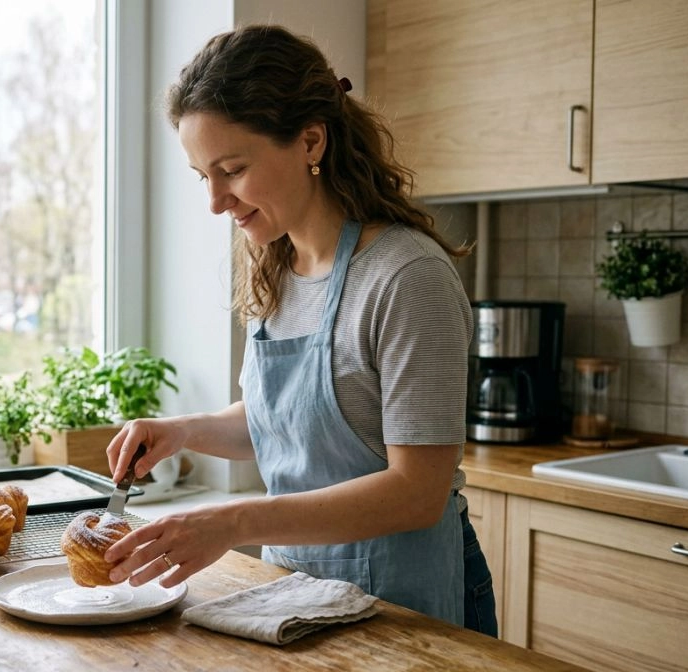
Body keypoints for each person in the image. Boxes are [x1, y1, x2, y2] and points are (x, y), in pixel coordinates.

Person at [103, 24, 498, 636]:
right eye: (200, 175)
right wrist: (181, 431)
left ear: (310, 140)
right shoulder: (275, 269)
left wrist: (234, 523)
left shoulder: (406, 276)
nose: (215, 202)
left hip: (406, 609)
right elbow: (282, 423)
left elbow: (417, 491)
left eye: (231, 169)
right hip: (294, 598)